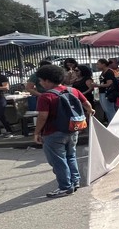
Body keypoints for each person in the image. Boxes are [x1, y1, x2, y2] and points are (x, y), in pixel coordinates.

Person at [33, 64, 94, 198]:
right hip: (73, 129)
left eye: (41, 80)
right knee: (71, 156)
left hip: (53, 133)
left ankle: (65, 187)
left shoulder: (45, 97)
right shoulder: (72, 90)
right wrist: (90, 112)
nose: (40, 83)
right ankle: (75, 181)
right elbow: (87, 104)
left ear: (48, 80)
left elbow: (42, 116)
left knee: (58, 160)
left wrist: (37, 132)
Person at [94, 59, 119, 123]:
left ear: (103, 64)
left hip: (107, 93)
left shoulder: (109, 72)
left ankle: (114, 124)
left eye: (98, 64)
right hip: (102, 92)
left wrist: (98, 85)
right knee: (106, 109)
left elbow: (109, 83)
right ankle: (110, 122)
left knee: (110, 109)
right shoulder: (103, 72)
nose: (97, 66)